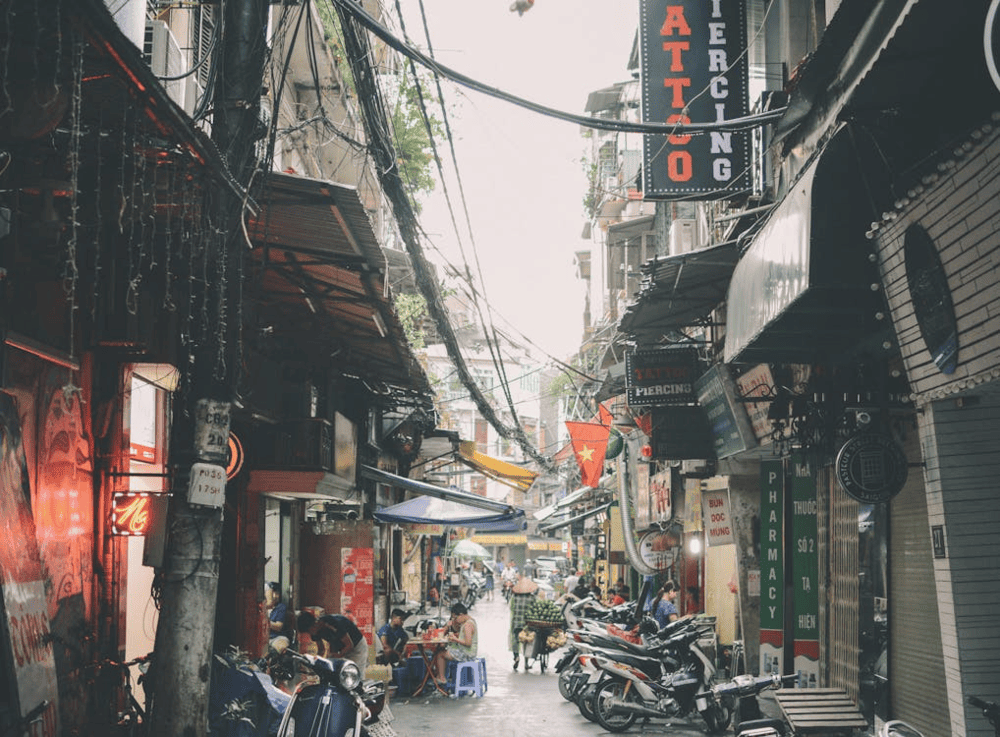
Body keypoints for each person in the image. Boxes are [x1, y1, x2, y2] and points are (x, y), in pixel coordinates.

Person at [297, 611, 369, 678]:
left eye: (309, 631)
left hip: (356, 647)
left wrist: (337, 656)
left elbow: (349, 645)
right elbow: (321, 650)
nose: (310, 634)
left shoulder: (333, 623)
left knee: (354, 675)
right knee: (339, 675)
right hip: (342, 648)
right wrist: (317, 663)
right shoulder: (315, 631)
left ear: (314, 624)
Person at [430, 602, 477, 685]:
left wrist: (456, 639)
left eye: (455, 618)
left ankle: (442, 678)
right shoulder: (471, 622)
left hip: (466, 654)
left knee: (440, 654)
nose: (455, 620)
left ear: (461, 615)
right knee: (442, 651)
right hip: (468, 653)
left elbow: (468, 643)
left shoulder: (467, 625)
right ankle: (442, 676)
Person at [508, 573, 539, 671]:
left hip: (516, 623)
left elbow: (511, 608)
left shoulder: (515, 597)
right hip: (528, 624)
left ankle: (516, 657)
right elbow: (536, 610)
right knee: (527, 642)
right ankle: (526, 663)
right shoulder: (532, 598)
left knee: (516, 641)